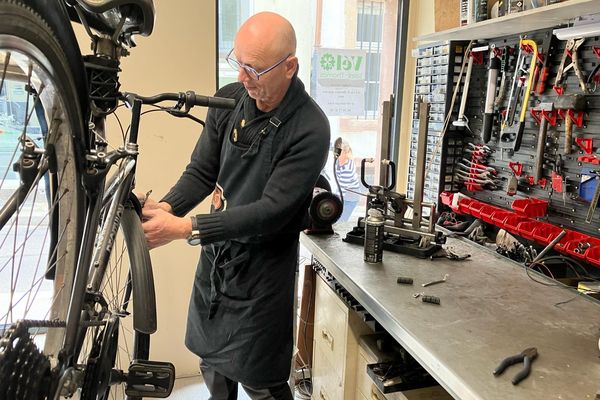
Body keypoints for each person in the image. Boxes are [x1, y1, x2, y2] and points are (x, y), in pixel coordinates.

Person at [140, 11, 330, 400]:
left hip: (263, 275)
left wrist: (188, 228)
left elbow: (272, 210)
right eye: (238, 63)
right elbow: (201, 171)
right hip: (217, 262)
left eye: (254, 70)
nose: (243, 78)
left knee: (260, 380)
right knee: (212, 364)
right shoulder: (229, 101)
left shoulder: (310, 127)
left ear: (289, 66)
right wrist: (167, 207)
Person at [335, 139, 362, 222]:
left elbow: (343, 188)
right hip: (344, 195)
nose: (337, 153)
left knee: (341, 221)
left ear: (345, 153)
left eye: (340, 151)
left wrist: (334, 199)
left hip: (350, 198)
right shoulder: (338, 162)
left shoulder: (347, 167)